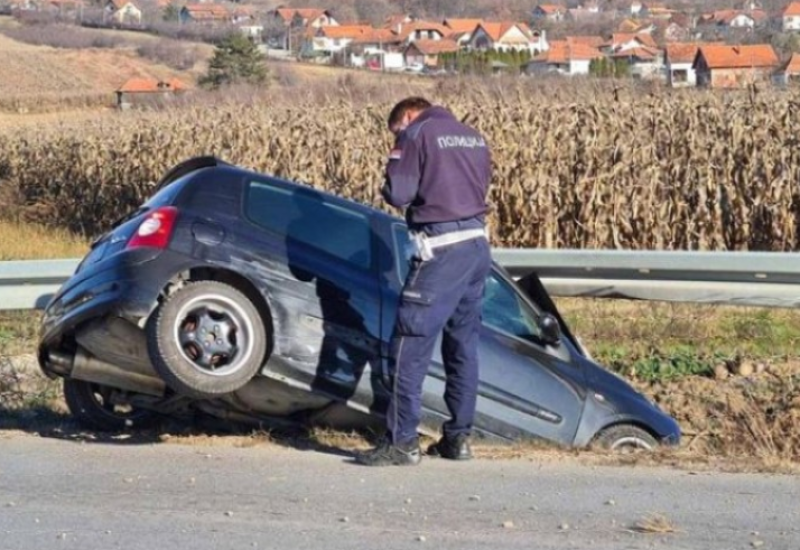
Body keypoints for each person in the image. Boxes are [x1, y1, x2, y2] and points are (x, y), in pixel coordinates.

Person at [357, 97, 493, 467]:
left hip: (440, 252)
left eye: (395, 129)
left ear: (407, 115)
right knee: (462, 346)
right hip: (477, 247)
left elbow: (399, 194)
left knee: (410, 343)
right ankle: (458, 439)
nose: (397, 135)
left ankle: (402, 443)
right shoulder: (472, 135)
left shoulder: (416, 133)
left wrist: (392, 170)